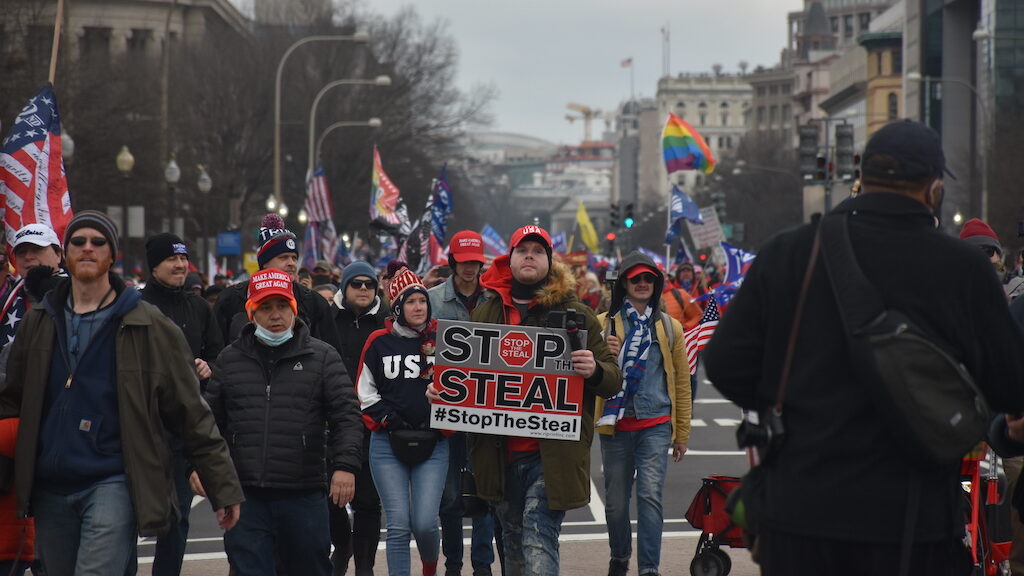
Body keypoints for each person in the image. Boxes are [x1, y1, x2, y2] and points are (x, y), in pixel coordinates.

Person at [704, 120, 1024, 575]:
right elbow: (1010, 386)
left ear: (863, 175)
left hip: (799, 514)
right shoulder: (961, 270)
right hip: (913, 521)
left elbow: (725, 364)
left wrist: (792, 403)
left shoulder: (789, 253)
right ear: (934, 189)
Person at [0, 210, 243, 575]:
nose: (87, 248)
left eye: (98, 242)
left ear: (112, 255)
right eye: (78, 242)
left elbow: (191, 411)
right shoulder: (39, 322)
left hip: (113, 479)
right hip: (51, 484)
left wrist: (222, 485)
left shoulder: (150, 324)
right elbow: (11, 399)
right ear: (65, 255)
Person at [459, 225, 620, 574]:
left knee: (538, 535)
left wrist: (594, 369)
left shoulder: (577, 313)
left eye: (538, 250)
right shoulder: (486, 313)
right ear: (510, 259)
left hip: (552, 454)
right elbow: (467, 377)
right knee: (513, 543)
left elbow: (612, 380)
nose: (529, 255)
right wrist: (444, 394)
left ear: (550, 262)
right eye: (522, 249)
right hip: (498, 453)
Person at [201, 267, 362, 576]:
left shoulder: (323, 357)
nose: (275, 314)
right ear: (251, 313)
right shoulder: (229, 359)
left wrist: (345, 466)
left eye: (281, 306)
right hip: (245, 496)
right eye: (265, 307)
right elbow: (209, 423)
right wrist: (200, 467)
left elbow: (347, 416)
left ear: (294, 309)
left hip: (304, 493)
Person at [597, 252, 691, 576]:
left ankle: (649, 568)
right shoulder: (603, 324)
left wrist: (682, 433)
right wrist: (602, 355)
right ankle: (619, 556)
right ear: (624, 283)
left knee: (650, 495)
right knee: (616, 504)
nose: (641, 284)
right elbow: (585, 374)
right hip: (616, 425)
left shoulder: (669, 326)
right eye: (635, 278)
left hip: (656, 423)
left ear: (656, 284)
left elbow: (681, 381)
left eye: (648, 278)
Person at [138, 232, 225, 576]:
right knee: (128, 517)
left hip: (184, 430)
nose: (179, 265)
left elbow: (219, 354)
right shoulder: (135, 306)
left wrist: (209, 365)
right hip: (142, 428)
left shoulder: (200, 307)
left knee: (179, 517)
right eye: (171, 259)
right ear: (154, 266)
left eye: (182, 259)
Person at [357, 266, 449, 576]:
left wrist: (445, 399)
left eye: (422, 300)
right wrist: (388, 418)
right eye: (410, 302)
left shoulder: (445, 338)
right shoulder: (378, 341)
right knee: (398, 525)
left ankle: (429, 567)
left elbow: (465, 387)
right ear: (397, 306)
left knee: (424, 522)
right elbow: (364, 391)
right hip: (386, 442)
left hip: (434, 440)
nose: (419, 307)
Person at [427, 231, 501, 576]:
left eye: (475, 261)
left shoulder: (496, 298)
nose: (469, 267)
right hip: (447, 412)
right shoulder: (431, 300)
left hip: (487, 412)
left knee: (485, 490)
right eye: (464, 260)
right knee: (449, 493)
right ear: (452, 261)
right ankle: (453, 564)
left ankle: (482, 564)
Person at [329, 260, 388, 576]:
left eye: (369, 284)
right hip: (332, 421)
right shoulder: (327, 319)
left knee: (367, 503)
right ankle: (342, 546)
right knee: (331, 499)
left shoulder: (388, 320)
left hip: (373, 422)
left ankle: (365, 567)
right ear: (345, 287)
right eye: (356, 284)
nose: (363, 288)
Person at [213, 213, 342, 350]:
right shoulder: (231, 299)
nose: (291, 263)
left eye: (294, 258)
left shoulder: (313, 302)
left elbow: (331, 354)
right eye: (283, 257)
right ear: (265, 263)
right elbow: (216, 352)